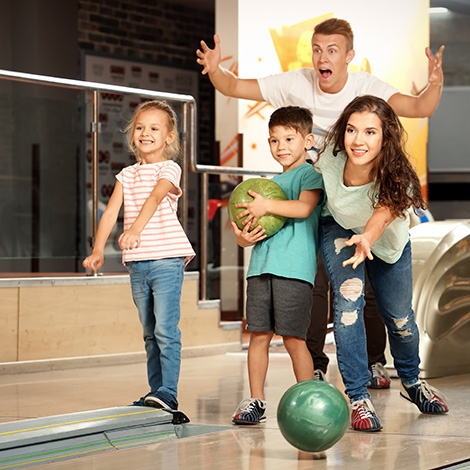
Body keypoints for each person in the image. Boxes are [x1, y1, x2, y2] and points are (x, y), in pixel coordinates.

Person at [196, 17, 445, 388]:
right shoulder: (295, 83)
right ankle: (316, 363)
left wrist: (436, 82)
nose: (322, 57)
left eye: (332, 50)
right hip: (317, 197)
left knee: (373, 289)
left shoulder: (367, 88)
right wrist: (216, 71)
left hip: (360, 198)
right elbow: (233, 85)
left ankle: (376, 362)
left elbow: (420, 107)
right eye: (317, 49)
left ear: (349, 56)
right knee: (316, 285)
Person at [314, 94, 449, 431]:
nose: (358, 140)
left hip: (386, 244)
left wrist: (368, 238)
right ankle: (359, 397)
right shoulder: (330, 159)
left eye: (370, 132)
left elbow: (384, 212)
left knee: (400, 319)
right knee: (347, 307)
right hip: (341, 230)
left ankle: (412, 381)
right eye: (352, 130)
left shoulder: (398, 175)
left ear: (386, 137)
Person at [82, 100, 195, 411]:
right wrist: (97, 250)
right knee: (149, 333)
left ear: (169, 137)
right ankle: (155, 391)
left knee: (165, 330)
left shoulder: (169, 168)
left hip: (166, 261)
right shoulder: (126, 175)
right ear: (132, 135)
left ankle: (168, 392)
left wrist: (135, 230)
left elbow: (157, 197)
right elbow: (110, 214)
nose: (146, 133)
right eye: (140, 128)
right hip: (138, 264)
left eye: (154, 128)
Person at [230, 106, 323, 425]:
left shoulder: (309, 175)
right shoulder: (267, 184)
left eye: (288, 138)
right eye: (273, 140)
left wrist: (266, 205)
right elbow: (251, 234)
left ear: (308, 140)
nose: (281, 146)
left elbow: (303, 207)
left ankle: (308, 399)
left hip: (295, 272)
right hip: (260, 269)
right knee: (258, 335)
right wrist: (242, 238)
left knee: (294, 338)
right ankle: (256, 400)